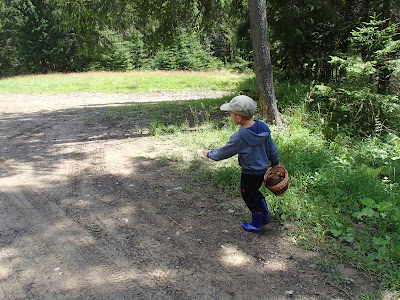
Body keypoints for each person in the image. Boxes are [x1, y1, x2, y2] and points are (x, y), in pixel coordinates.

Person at [202, 95, 280, 233]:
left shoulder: (240, 137)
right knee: (255, 192)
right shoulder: (263, 127)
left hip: (249, 173)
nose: (230, 116)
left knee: (249, 196)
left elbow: (224, 152)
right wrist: (275, 163)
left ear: (238, 118)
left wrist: (209, 154)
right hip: (263, 170)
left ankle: (256, 224)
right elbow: (271, 148)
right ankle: (265, 215)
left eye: (231, 114)